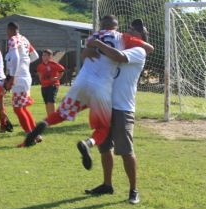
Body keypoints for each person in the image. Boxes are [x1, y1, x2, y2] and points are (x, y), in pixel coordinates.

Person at [24, 15, 153, 168]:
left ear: (100, 26)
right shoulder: (122, 38)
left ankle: (43, 124)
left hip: (81, 81)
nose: (130, 31)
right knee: (103, 128)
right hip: (101, 88)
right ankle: (88, 143)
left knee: (61, 113)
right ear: (116, 27)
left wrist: (90, 49)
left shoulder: (93, 36)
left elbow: (86, 54)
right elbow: (149, 48)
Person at [84, 19, 152, 204]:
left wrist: (97, 42)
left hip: (123, 107)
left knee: (126, 151)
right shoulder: (115, 47)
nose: (128, 33)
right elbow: (91, 57)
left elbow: (118, 57)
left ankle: (133, 190)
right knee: (105, 148)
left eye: (133, 32)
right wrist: (90, 47)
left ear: (140, 38)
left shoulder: (139, 51)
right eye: (128, 29)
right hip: (105, 104)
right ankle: (107, 185)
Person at [5, 22, 39, 146]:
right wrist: (25, 64)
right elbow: (35, 56)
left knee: (18, 109)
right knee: (22, 108)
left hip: (18, 78)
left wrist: (13, 76)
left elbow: (15, 57)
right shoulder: (24, 39)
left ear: (10, 30)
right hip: (25, 76)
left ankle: (30, 139)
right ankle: (36, 134)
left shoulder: (13, 39)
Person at [36, 49, 65, 115]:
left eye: (45, 55)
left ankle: (53, 117)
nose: (43, 57)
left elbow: (62, 70)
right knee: (46, 102)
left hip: (53, 85)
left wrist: (57, 78)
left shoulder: (53, 64)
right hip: (44, 86)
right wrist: (41, 80)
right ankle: (49, 117)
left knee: (51, 101)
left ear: (50, 56)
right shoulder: (40, 66)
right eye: (43, 55)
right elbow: (39, 73)